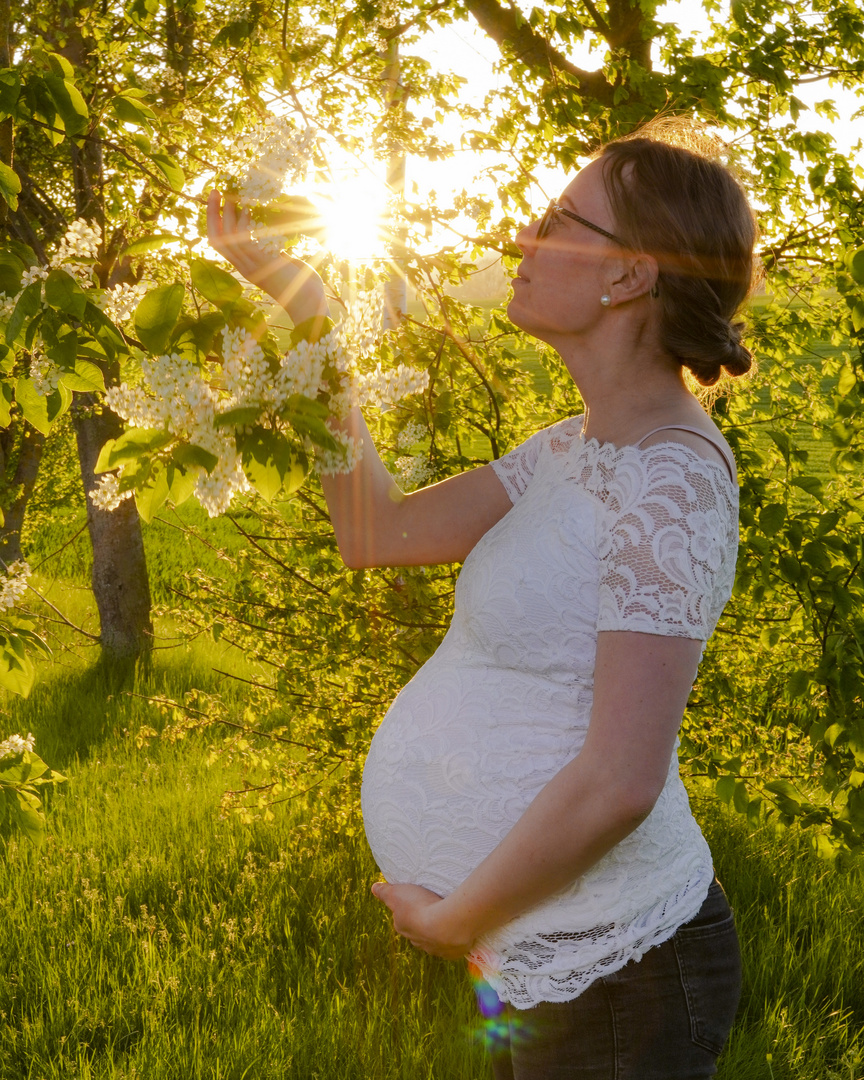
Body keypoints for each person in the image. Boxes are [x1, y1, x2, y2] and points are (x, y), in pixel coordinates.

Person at [207, 124, 757, 1079]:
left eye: (558, 219)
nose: (522, 236)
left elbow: (623, 780)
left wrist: (457, 916)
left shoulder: (673, 480)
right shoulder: (565, 450)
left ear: (627, 277)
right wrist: (309, 313)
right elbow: (375, 533)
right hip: (539, 951)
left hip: (621, 968)